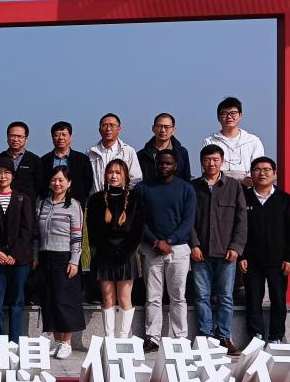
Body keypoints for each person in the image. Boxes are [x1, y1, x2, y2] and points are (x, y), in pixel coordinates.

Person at [190, 144, 248, 353]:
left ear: (222, 161)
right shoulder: (193, 187)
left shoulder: (233, 186)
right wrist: (194, 244)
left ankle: (224, 336)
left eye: (215, 160)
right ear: (201, 162)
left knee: (225, 297)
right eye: (207, 160)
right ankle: (206, 337)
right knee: (201, 296)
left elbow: (241, 219)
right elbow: (188, 219)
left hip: (226, 253)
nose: (211, 164)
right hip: (201, 253)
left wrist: (236, 247)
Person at [137, 150, 196, 352]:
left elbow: (188, 221)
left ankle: (180, 337)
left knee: (178, 296)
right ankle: (152, 337)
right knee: (153, 296)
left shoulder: (186, 189)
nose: (164, 166)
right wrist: (156, 241)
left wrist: (170, 241)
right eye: (160, 163)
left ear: (175, 166)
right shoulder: (143, 188)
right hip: (151, 248)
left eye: (168, 163)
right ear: (155, 165)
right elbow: (139, 220)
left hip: (178, 249)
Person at [239, 157, 290, 347]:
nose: (262, 173)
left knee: (278, 299)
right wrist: (241, 256)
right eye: (257, 169)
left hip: (278, 260)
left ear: (274, 173)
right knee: (253, 299)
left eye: (266, 169)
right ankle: (256, 335)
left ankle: (276, 337)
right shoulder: (243, 197)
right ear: (251, 174)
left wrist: (289, 258)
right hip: (251, 260)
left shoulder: (284, 199)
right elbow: (238, 229)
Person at [86, 159, 145, 339]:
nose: (114, 176)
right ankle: (109, 339)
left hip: (126, 255)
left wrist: (125, 252)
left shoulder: (135, 198)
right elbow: (93, 230)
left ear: (125, 176)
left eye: (118, 173)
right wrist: (104, 251)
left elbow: (138, 230)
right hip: (104, 255)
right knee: (108, 298)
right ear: (105, 175)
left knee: (125, 298)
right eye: (110, 172)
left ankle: (123, 338)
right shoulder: (96, 199)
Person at [0, 156, 34, 345]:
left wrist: (14, 254)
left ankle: (14, 342)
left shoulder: (23, 199)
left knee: (17, 302)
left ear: (13, 175)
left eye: (6, 172)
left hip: (19, 260)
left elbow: (27, 230)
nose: (3, 176)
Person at [33, 166, 85, 359]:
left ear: (69, 183)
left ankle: (67, 342)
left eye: (61, 180)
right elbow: (36, 235)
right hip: (45, 256)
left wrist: (74, 261)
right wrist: (35, 257)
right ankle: (57, 342)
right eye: (54, 180)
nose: (57, 183)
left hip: (64, 257)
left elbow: (77, 236)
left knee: (65, 301)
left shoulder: (74, 205)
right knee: (49, 300)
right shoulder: (43, 203)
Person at [201, 96, 265, 184]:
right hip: (219, 186)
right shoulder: (210, 141)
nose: (229, 117)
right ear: (218, 117)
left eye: (233, 113)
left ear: (240, 115)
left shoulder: (253, 141)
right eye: (224, 113)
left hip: (247, 186)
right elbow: (206, 167)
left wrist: (249, 179)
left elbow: (259, 165)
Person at [37, 120, 93, 209]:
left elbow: (88, 183)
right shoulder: (44, 160)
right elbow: (40, 183)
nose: (60, 138)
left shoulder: (82, 159)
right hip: (50, 204)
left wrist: (80, 199)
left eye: (64, 134)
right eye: (56, 135)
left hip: (75, 204)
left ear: (70, 137)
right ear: (52, 138)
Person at [87, 113, 142, 193]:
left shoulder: (128, 151)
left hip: (122, 198)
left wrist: (124, 195)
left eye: (112, 125)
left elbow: (136, 179)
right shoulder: (91, 152)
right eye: (104, 125)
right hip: (97, 198)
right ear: (99, 130)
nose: (108, 129)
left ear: (119, 129)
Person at [139, 112, 191, 185]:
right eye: (159, 126)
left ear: (173, 130)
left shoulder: (182, 152)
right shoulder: (142, 154)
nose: (163, 130)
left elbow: (186, 179)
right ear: (153, 128)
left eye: (167, 127)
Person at [0, 121, 41, 198]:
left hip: (28, 203)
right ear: (7, 138)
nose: (15, 139)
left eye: (19, 136)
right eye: (12, 136)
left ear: (26, 139)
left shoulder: (35, 160)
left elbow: (39, 186)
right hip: (3, 202)